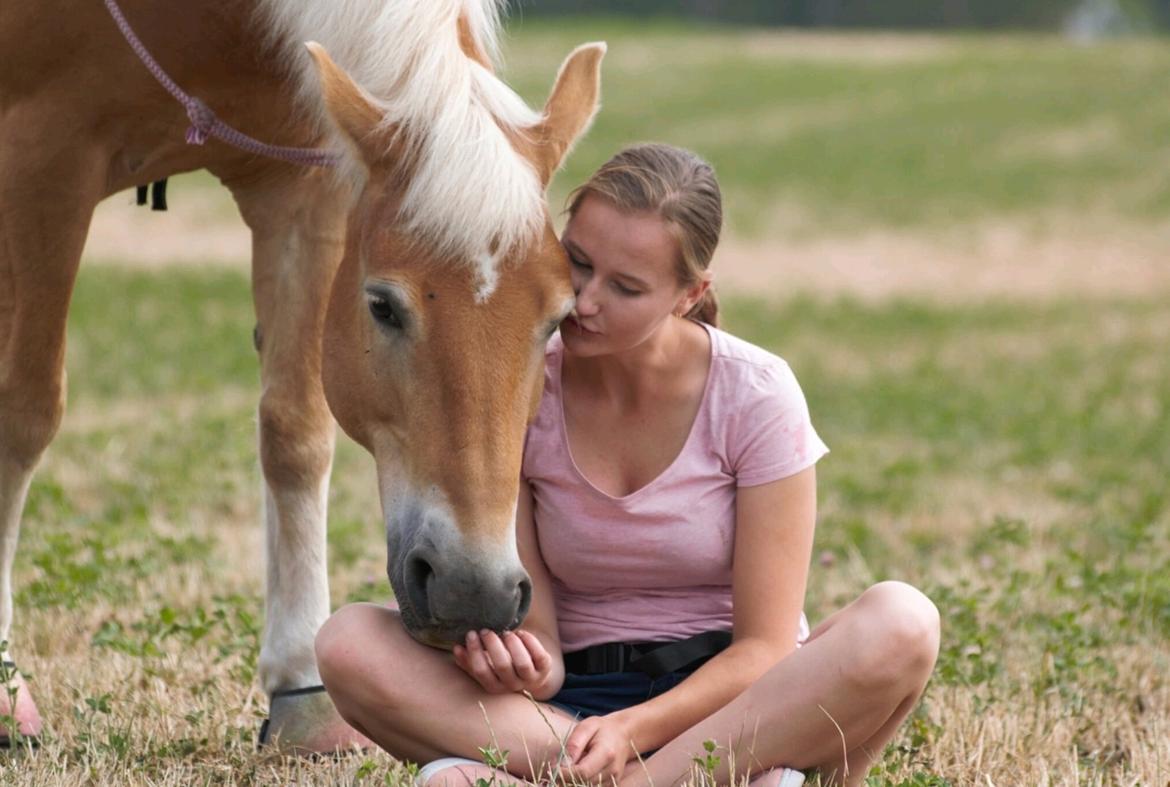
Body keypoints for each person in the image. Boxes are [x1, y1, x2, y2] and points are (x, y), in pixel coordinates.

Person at [314, 143, 940, 787]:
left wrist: (632, 736)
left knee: (903, 623)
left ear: (688, 295)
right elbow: (546, 640)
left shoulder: (756, 394)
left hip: (728, 711)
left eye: (627, 287)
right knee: (348, 643)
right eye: (578, 263)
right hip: (565, 719)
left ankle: (641, 779)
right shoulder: (526, 383)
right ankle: (688, 778)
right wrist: (533, 667)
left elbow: (767, 649)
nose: (585, 301)